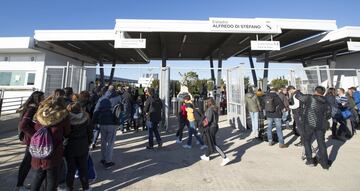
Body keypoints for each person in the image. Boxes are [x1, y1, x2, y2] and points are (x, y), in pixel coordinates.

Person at [30, 95, 71, 191]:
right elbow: (67, 132)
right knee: (52, 178)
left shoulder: (41, 114)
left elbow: (34, 127)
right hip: (54, 151)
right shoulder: (63, 115)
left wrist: (34, 137)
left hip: (38, 149)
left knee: (38, 176)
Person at [295, 86, 332, 169]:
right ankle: (325, 163)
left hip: (309, 124)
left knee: (307, 141)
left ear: (315, 91)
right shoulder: (326, 101)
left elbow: (299, 96)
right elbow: (329, 114)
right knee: (321, 143)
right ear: (323, 92)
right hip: (321, 125)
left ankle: (310, 160)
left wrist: (297, 91)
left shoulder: (310, 98)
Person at [15, 91, 44, 191]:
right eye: (42, 98)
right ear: (38, 99)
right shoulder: (32, 108)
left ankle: (20, 185)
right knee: (26, 163)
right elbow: (23, 125)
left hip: (31, 140)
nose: (44, 99)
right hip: (31, 140)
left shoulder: (33, 107)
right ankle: (19, 186)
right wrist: (35, 136)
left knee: (27, 162)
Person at [65, 102, 93, 191]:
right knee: (83, 169)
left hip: (70, 147)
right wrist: (88, 143)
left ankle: (69, 188)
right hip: (83, 146)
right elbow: (90, 134)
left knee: (70, 170)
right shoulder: (86, 118)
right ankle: (86, 187)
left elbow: (65, 134)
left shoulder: (67, 120)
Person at [200, 98, 230, 166]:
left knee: (213, 144)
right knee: (211, 142)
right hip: (215, 126)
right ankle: (206, 156)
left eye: (206, 102)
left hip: (211, 127)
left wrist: (202, 124)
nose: (206, 103)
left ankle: (225, 158)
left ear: (209, 103)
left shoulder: (210, 109)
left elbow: (209, 120)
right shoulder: (215, 108)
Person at [92, 87, 118, 169]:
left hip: (102, 123)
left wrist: (94, 122)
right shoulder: (117, 98)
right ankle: (108, 161)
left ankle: (103, 159)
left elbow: (96, 111)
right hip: (112, 123)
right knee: (110, 143)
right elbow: (121, 110)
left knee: (103, 141)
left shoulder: (101, 99)